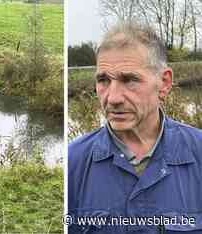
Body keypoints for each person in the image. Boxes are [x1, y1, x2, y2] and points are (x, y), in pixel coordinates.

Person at [68, 22, 202, 234]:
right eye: (103, 80)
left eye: (129, 79)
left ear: (164, 83)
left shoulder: (198, 152)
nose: (112, 98)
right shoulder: (73, 162)